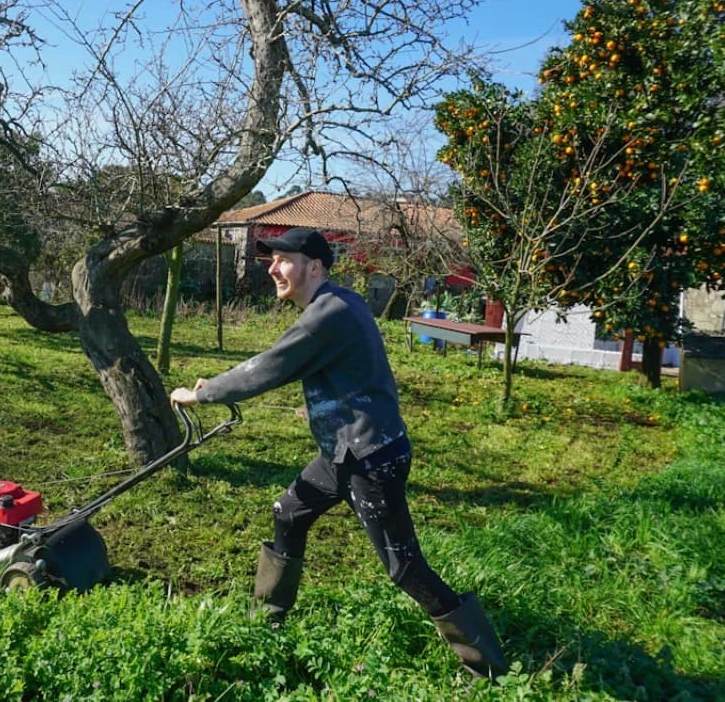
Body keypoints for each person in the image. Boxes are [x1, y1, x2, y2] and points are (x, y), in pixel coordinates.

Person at [169, 227, 508, 680]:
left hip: (370, 457)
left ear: (314, 266)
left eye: (283, 260)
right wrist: (215, 387)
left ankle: (486, 667)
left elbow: (271, 366)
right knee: (288, 513)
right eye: (270, 260)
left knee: (404, 567)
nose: (272, 268)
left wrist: (204, 396)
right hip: (343, 453)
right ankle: (265, 622)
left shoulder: (327, 315)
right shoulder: (340, 303)